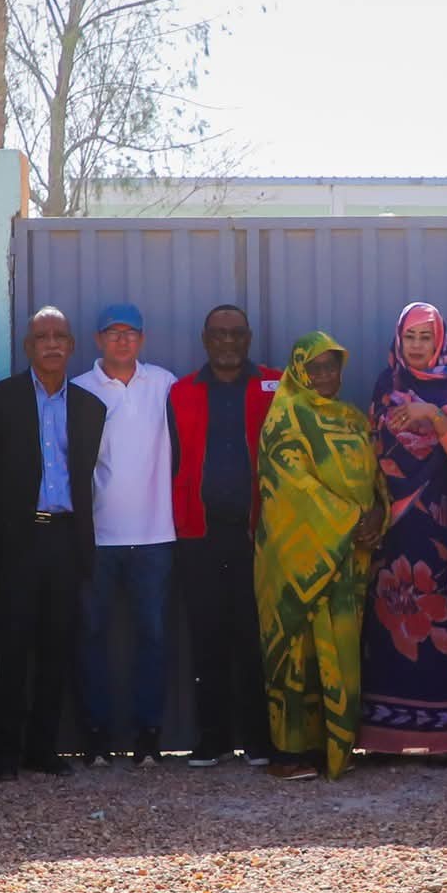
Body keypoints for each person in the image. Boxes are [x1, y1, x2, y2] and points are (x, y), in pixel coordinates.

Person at [362, 302, 447, 759]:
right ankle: (388, 737)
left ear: (439, 341)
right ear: (398, 341)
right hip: (393, 531)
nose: (417, 347)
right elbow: (373, 453)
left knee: (442, 628)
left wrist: (434, 418)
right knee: (390, 629)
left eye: (425, 337)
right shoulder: (386, 384)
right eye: (410, 337)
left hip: (442, 532)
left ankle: (443, 738)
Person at [0, 307, 105, 780]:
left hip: (65, 541)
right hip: (17, 542)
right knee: (12, 649)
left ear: (72, 346)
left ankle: (43, 748)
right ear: (28, 347)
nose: (52, 343)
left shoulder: (92, 407)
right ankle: (6, 750)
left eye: (60, 336)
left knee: (56, 648)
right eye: (42, 336)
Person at [254, 333, 383, 781]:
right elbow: (289, 482)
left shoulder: (350, 417)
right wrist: (351, 518)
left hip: (349, 558)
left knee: (342, 649)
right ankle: (292, 754)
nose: (326, 376)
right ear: (298, 371)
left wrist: (377, 514)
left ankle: (336, 746)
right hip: (299, 557)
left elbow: (375, 473)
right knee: (297, 652)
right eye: (316, 368)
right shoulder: (285, 416)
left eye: (333, 366)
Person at [168, 305, 281, 767]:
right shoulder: (181, 391)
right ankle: (211, 740)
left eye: (236, 334)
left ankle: (258, 739)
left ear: (249, 337)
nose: (228, 342)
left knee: (256, 638)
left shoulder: (276, 384)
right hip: (200, 534)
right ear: (205, 338)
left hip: (260, 535)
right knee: (207, 636)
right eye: (219, 334)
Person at [72, 303, 177, 767]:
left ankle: (149, 737)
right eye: (112, 332)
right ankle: (95, 737)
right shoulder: (79, 390)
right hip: (96, 538)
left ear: (142, 338)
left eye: (130, 332)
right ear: (97, 340)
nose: (121, 340)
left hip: (155, 535)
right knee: (91, 635)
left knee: (152, 638)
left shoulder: (165, 384)